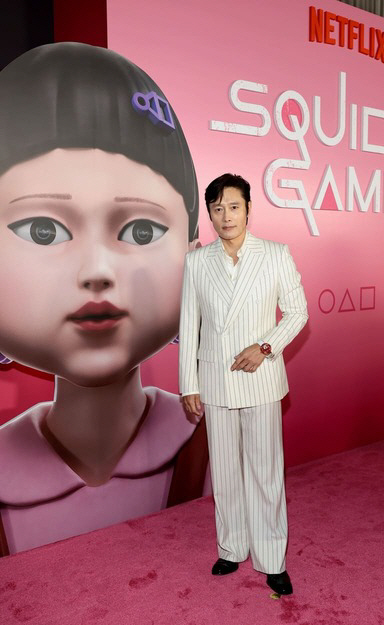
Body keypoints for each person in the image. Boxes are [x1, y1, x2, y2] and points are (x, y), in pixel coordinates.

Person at [0, 42, 200, 555]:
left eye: (140, 231)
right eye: (42, 231)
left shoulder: (212, 442)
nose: (97, 271)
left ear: (196, 255)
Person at [179, 173, 308, 595]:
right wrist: (188, 384)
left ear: (248, 209)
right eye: (217, 208)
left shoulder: (275, 254)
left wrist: (265, 347)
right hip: (215, 378)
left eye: (234, 206)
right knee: (225, 472)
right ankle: (231, 548)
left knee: (265, 472)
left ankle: (272, 558)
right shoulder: (197, 261)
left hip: (260, 377)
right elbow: (190, 324)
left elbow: (297, 312)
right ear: (210, 214)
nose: (226, 216)